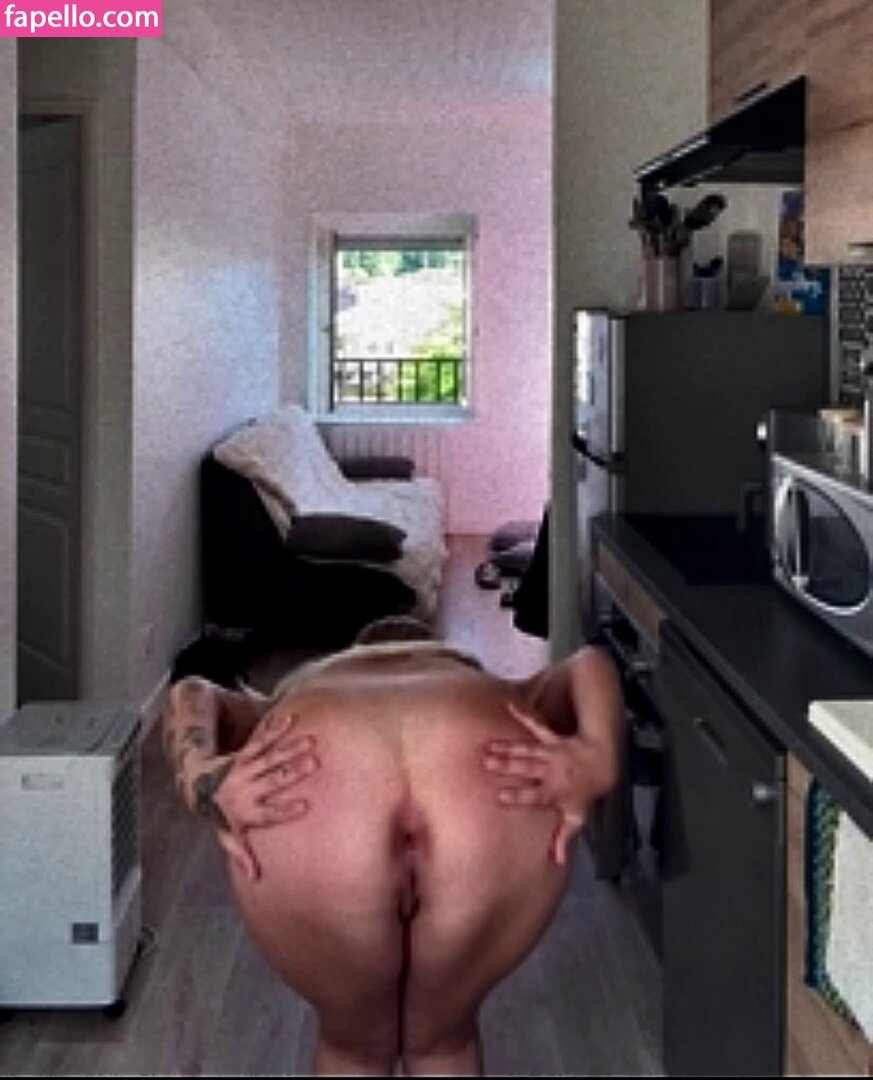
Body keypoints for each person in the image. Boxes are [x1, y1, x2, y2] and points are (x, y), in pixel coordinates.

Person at [162, 616, 625, 1077]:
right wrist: (597, 758)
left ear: (357, 650)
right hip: (481, 785)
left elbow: (192, 692)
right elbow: (592, 663)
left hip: (318, 789)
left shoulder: (310, 685)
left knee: (354, 1048)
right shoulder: (491, 685)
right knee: (443, 1043)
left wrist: (201, 778)